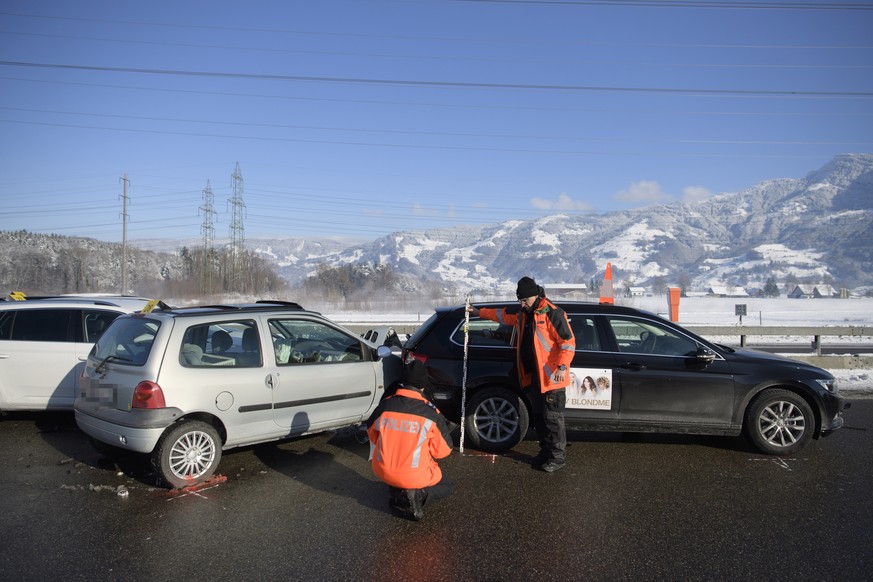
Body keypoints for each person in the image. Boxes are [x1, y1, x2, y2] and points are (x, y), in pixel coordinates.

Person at [469, 276, 576, 472]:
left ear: (535, 295)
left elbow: (567, 343)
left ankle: (557, 458)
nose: (522, 303)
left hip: (552, 378)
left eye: (524, 300)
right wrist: (477, 312)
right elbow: (502, 316)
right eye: (520, 300)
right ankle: (545, 453)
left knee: (552, 419)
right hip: (534, 377)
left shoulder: (552, 313)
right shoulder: (524, 314)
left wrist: (561, 367)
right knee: (539, 418)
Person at [367, 360, 454, 521]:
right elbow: (443, 452)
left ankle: (396, 491)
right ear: (423, 385)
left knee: (398, 466)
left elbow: (372, 434)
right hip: (414, 475)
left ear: (403, 381)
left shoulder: (384, 406)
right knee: (446, 487)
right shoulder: (431, 413)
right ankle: (418, 494)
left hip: (382, 470)